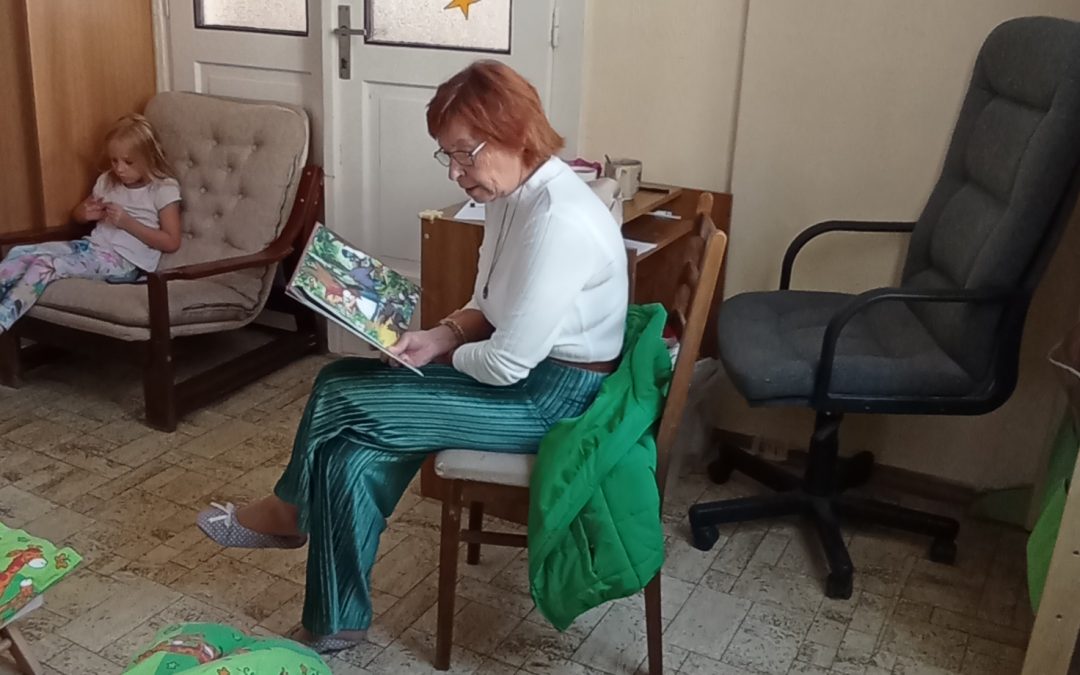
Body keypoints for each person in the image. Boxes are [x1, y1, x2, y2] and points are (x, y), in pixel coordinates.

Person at [195, 60, 629, 653]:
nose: (454, 171)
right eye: (446, 155)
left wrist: (438, 361)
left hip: (550, 401)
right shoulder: (510, 194)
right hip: (522, 375)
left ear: (515, 134)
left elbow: (507, 365)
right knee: (349, 447)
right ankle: (334, 621)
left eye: (464, 154)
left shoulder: (560, 220)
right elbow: (487, 301)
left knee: (339, 387)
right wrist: (441, 336)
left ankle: (289, 511)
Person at [0, 114, 181, 333]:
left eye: (128, 162)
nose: (119, 168)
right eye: (114, 160)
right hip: (91, 248)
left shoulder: (162, 188)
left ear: (149, 157)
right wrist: (84, 213)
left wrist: (127, 222)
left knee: (45, 264)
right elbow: (78, 214)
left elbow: (171, 241)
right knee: (20, 252)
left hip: (125, 262)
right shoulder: (108, 181)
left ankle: (3, 320)